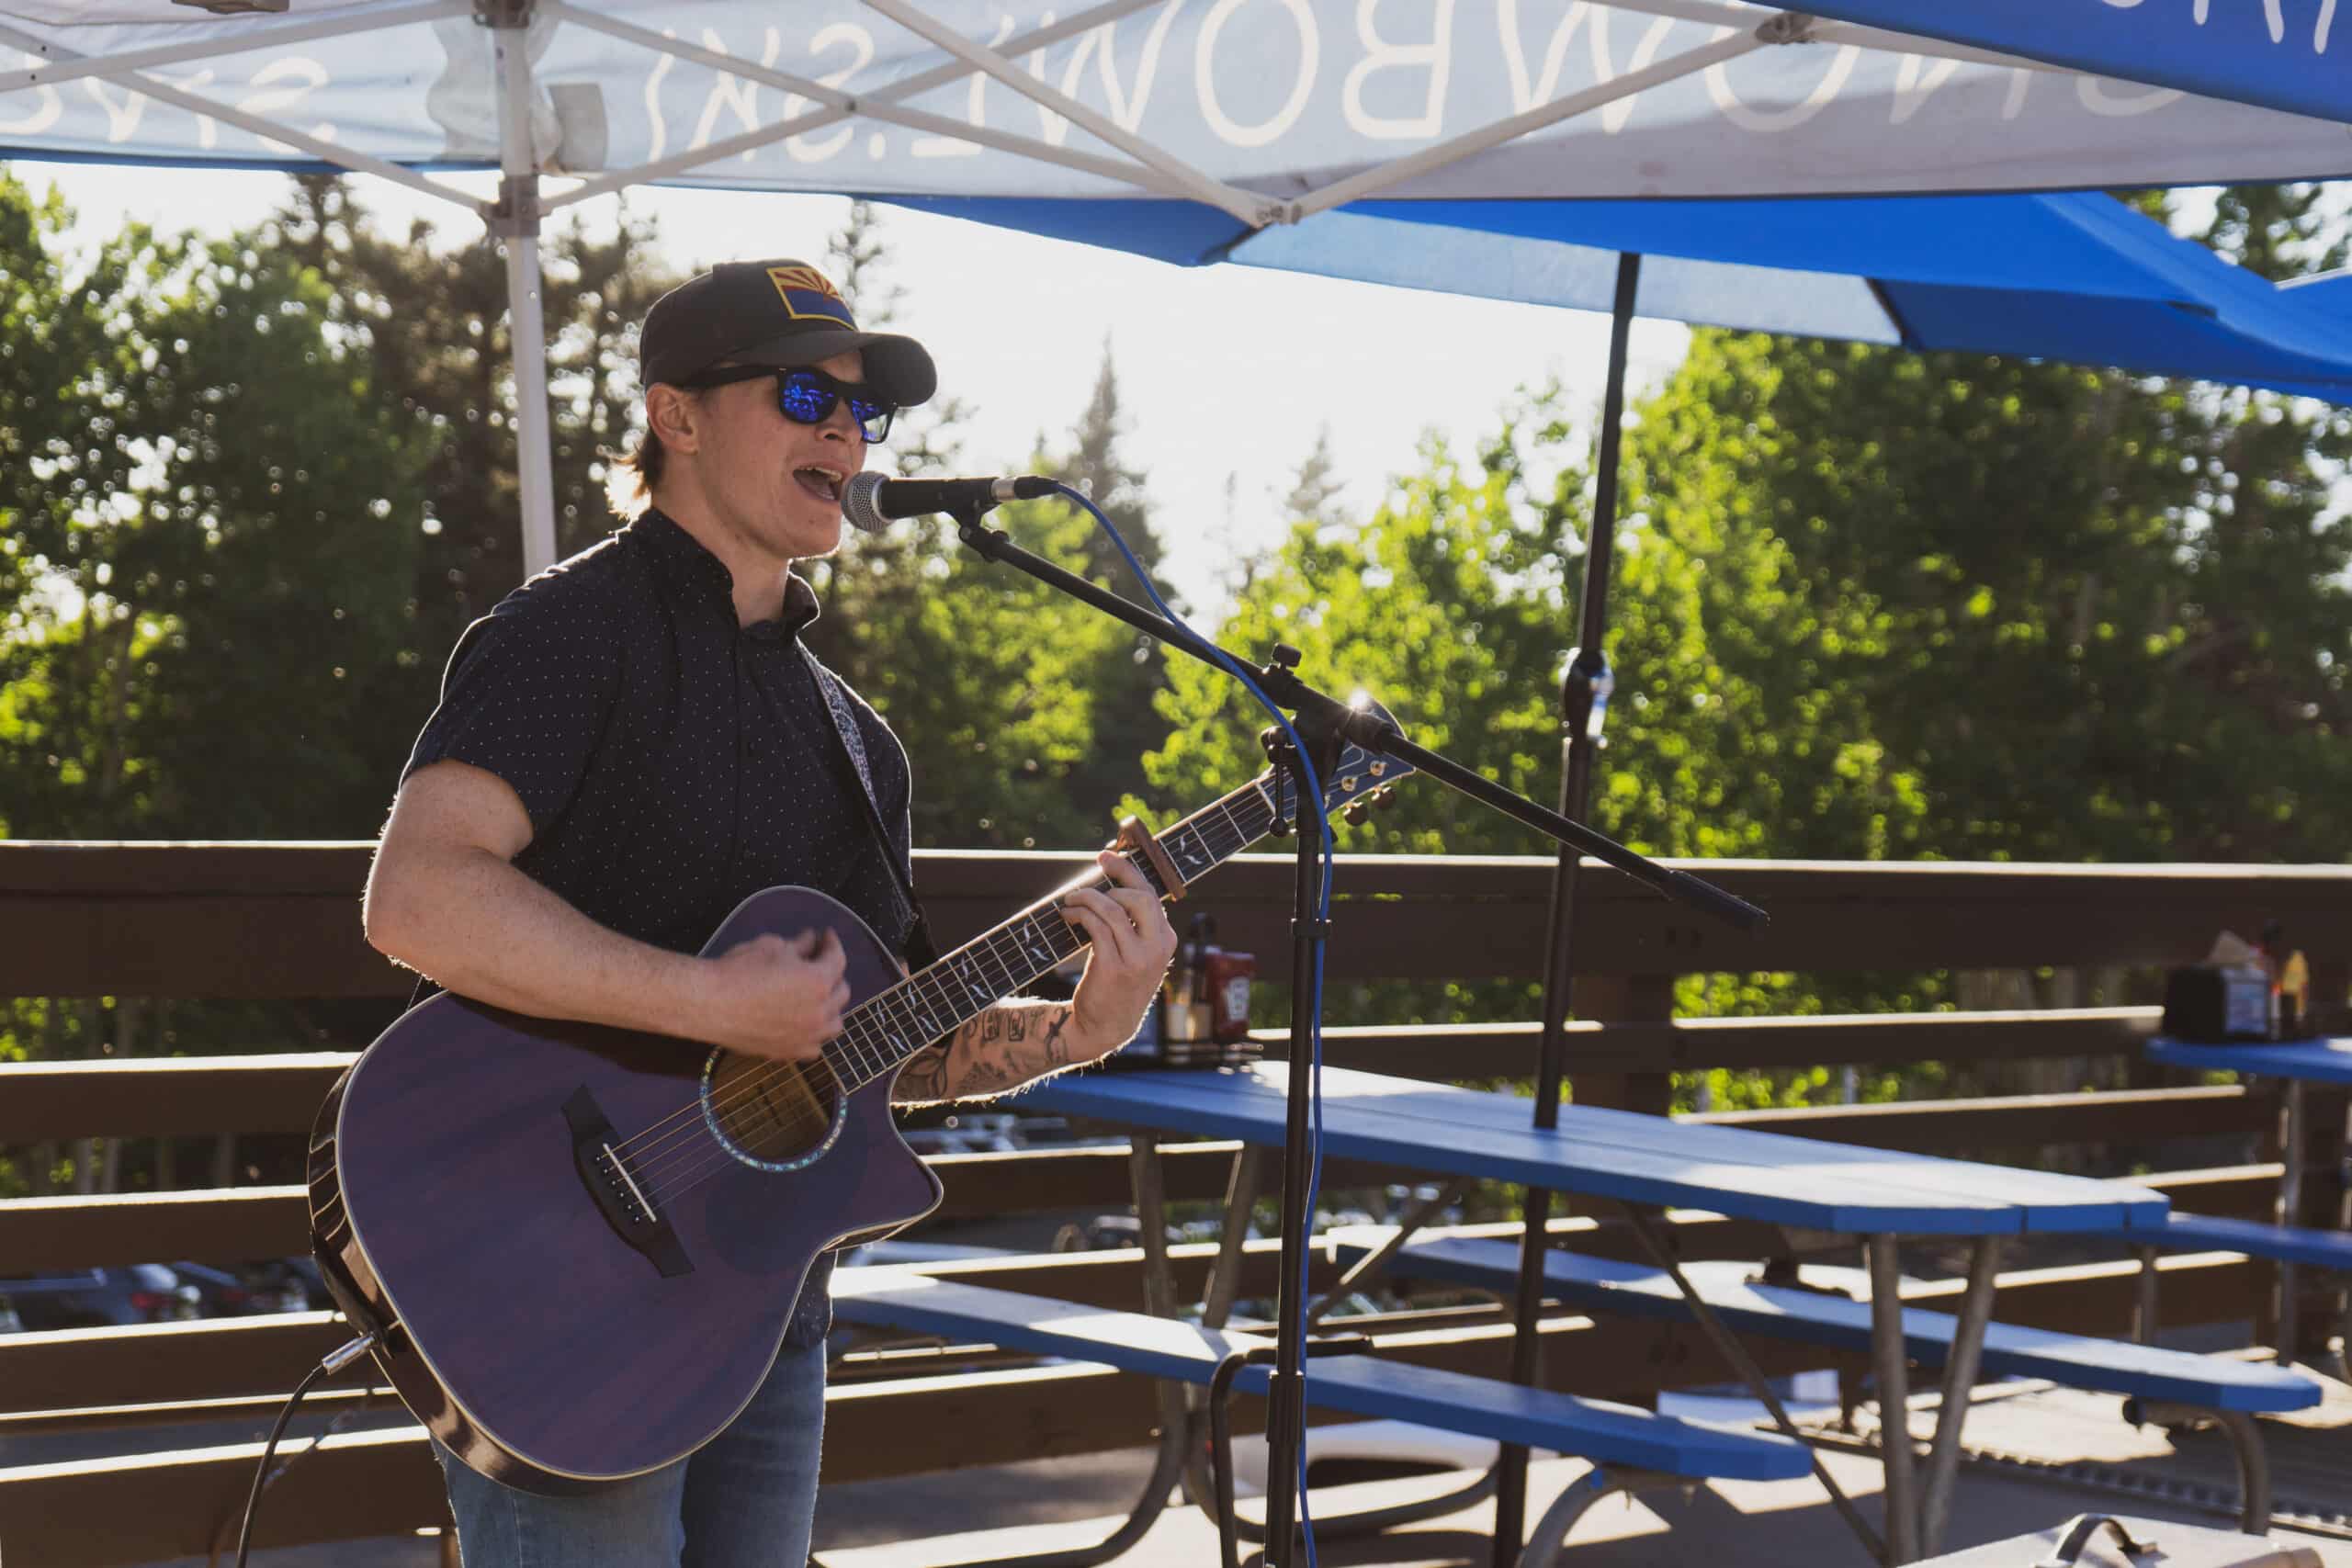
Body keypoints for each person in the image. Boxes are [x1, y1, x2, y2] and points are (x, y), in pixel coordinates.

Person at [360, 257, 1178, 1567]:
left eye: (864, 411)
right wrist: (707, 1002)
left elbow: (878, 1050)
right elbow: (417, 895)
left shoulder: (857, 740)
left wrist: (1079, 1029)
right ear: (675, 416)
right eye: (807, 394)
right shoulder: (569, 634)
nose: (847, 432)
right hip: (553, 1286)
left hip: (762, 1312)